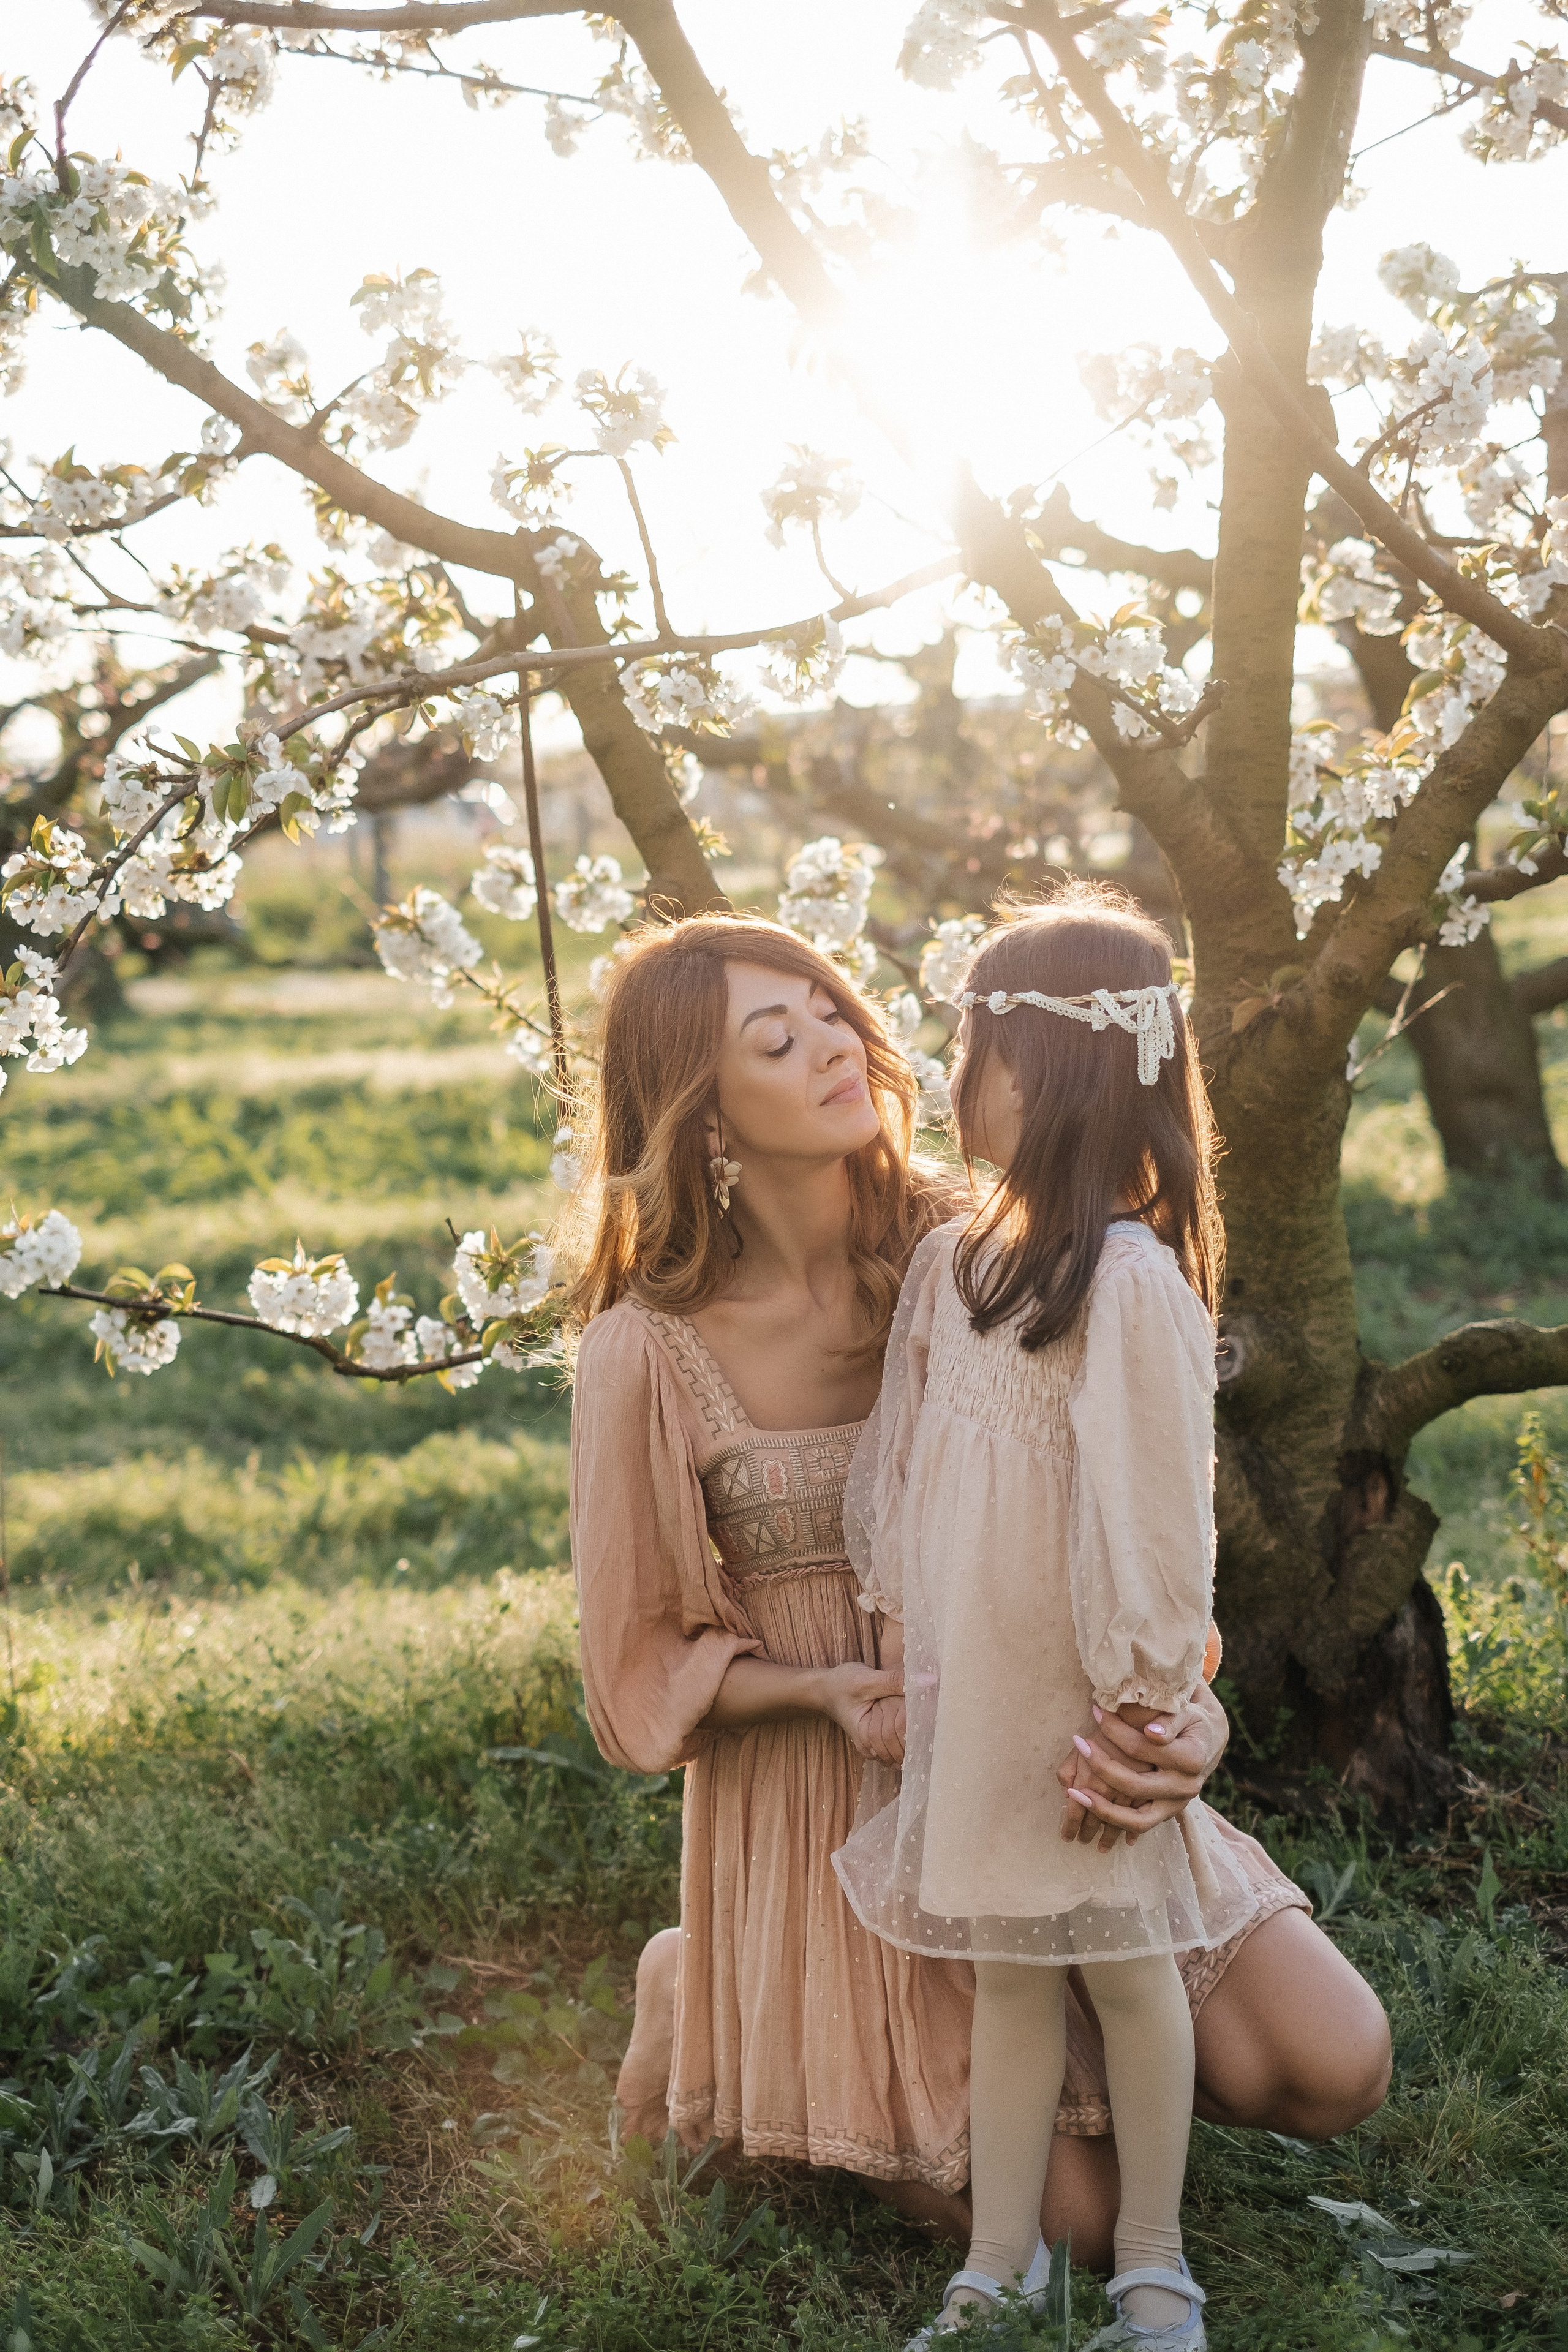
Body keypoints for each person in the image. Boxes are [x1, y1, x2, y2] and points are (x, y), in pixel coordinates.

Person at [564, 910, 1390, 2266]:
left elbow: (1132, 1524)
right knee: (1063, 2224)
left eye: (829, 1009)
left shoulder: (988, 1249)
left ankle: (791, 2004)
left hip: (1030, 1729)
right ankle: (708, 1978)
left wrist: (1190, 1718)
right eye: (775, 1040)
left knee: (1328, 2064)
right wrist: (820, 1692)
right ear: (699, 1113)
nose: (832, 1042)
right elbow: (636, 1663)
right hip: (827, 1779)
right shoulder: (644, 1350)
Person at [837, 889, 1247, 2348]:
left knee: (1126, 1972)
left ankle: (1152, 2258)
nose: (957, 1080)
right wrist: (905, 1645)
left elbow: (1151, 1518)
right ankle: (993, 2258)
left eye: (979, 1048)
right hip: (980, 1691)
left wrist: (1137, 1702)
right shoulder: (957, 1269)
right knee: (1008, 1976)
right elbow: (908, 1471)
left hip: (1081, 1711)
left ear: (1054, 1072)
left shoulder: (1126, 1284)